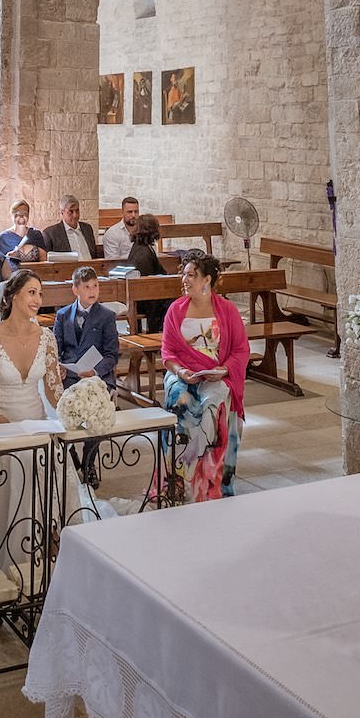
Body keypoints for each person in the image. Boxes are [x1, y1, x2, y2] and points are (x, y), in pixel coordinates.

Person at [0, 270, 96, 568]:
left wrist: (75, 411)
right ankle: (18, 560)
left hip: (39, 423)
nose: (37, 300)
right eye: (32, 292)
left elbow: (55, 391)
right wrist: (2, 421)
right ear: (13, 296)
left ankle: (54, 551)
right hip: (5, 427)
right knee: (20, 471)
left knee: (53, 471)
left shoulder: (46, 338)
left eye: (40, 294)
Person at [161, 254, 250, 501]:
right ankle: (181, 478)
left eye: (191, 275)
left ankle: (209, 479)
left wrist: (224, 370)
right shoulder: (175, 310)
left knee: (216, 401)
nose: (185, 280)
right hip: (182, 373)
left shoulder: (228, 311)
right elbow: (167, 353)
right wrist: (180, 372)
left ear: (206, 280)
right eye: (184, 274)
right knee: (180, 399)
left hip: (216, 373)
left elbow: (241, 349)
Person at [52, 266, 120, 389]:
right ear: (75, 290)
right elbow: (55, 349)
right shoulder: (63, 315)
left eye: (95, 286)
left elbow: (112, 354)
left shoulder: (107, 316)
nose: (92, 291)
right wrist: (59, 366)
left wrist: (95, 371)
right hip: (69, 375)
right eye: (86, 287)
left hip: (98, 375)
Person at [127, 213, 172, 334]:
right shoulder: (142, 253)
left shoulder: (143, 247)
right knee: (174, 302)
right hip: (145, 299)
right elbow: (148, 283)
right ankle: (165, 334)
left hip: (149, 293)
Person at [41, 195, 98, 259]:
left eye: (77, 210)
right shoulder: (51, 233)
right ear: (62, 212)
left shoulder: (87, 229)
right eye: (71, 211)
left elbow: (94, 254)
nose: (75, 215)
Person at [100, 196, 140, 261]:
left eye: (136, 212)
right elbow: (112, 262)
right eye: (130, 212)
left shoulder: (144, 230)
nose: (133, 215)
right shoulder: (112, 233)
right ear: (122, 212)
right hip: (123, 269)